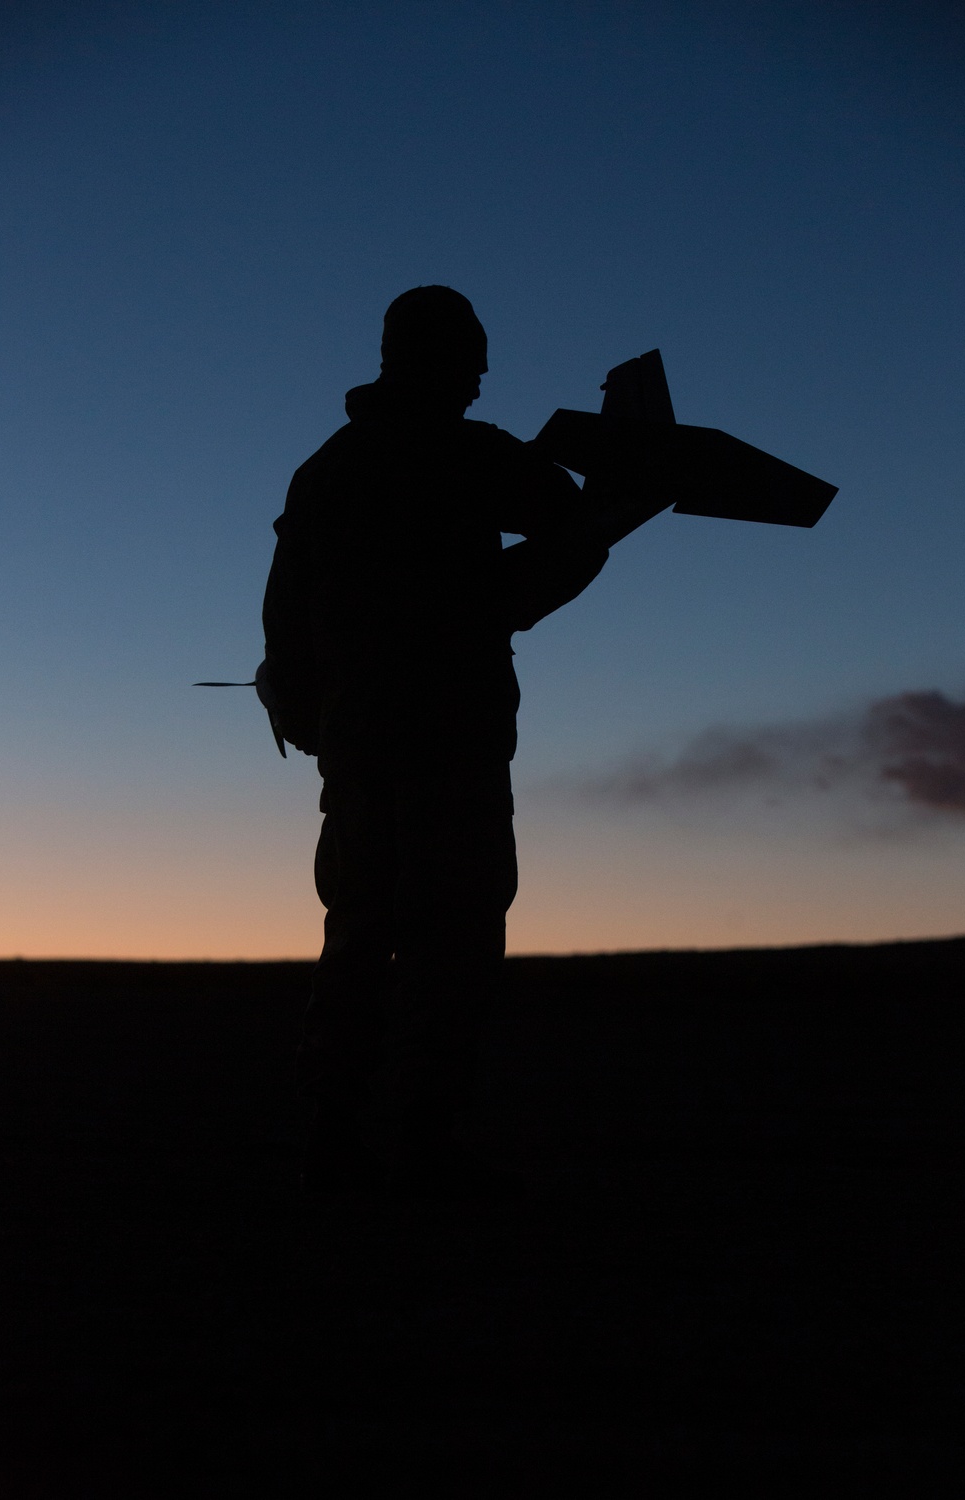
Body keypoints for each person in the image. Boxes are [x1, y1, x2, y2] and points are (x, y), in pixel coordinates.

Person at [259, 286, 623, 1198]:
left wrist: (307, 707)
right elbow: (568, 533)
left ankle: (332, 1143)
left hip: (360, 745)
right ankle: (420, 1148)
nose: (482, 375)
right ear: (446, 360)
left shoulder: (326, 470)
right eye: (471, 356)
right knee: (454, 940)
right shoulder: (468, 456)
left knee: (359, 932)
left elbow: (283, 616)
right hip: (450, 743)